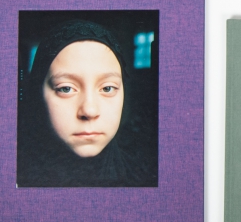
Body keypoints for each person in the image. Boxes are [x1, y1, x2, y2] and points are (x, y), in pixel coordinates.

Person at [17, 19, 156, 187]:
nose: (89, 111)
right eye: (66, 88)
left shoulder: (147, 176)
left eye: (107, 88)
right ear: (37, 93)